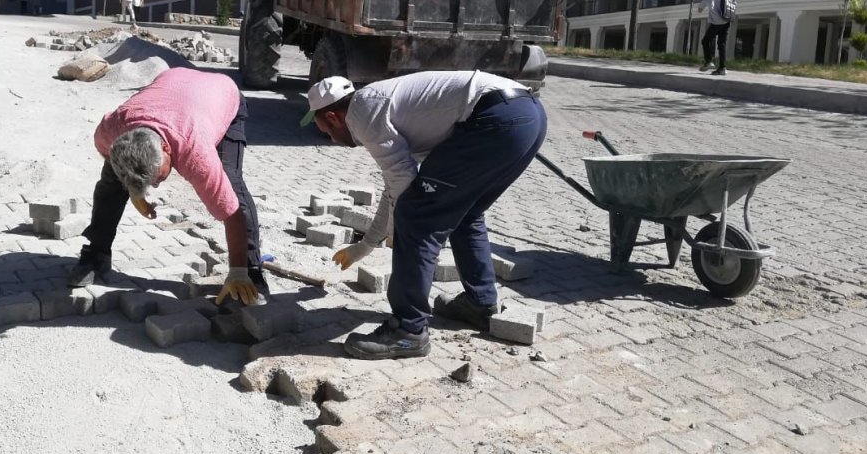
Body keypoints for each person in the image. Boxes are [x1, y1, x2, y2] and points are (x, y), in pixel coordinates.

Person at [303, 70, 548, 360]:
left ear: (333, 117)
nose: (329, 139)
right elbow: (396, 185)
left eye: (324, 130)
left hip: (495, 120)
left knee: (417, 219)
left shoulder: (362, 112)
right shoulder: (384, 107)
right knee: (465, 213)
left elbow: (405, 196)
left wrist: (399, 231)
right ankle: (479, 304)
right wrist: (366, 245)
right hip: (527, 116)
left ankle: (408, 331)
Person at [67, 67, 268, 306]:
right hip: (172, 84)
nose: (156, 185)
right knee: (111, 183)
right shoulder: (109, 132)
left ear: (166, 149)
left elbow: (232, 214)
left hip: (223, 95)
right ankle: (96, 253)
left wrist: (237, 271)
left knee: (231, 184)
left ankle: (252, 270)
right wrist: (135, 190)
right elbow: (115, 165)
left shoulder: (196, 153)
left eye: (157, 178)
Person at [697, 0, 729, 76]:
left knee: (705, 41)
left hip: (716, 23)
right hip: (726, 21)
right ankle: (722, 68)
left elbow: (700, 10)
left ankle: (709, 62)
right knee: (721, 44)